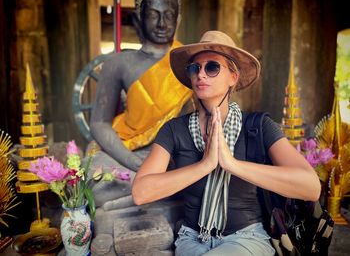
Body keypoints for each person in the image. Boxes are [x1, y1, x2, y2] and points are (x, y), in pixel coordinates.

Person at [132, 31, 321, 255]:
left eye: (212, 67)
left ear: (233, 77)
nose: (201, 74)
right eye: (195, 68)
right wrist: (205, 165)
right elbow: (140, 193)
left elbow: (311, 187)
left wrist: (232, 164)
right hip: (192, 238)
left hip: (246, 237)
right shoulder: (175, 130)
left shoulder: (258, 126)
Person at [89, 0, 192, 209]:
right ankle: (154, 193)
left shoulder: (191, 61)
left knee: (203, 176)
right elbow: (99, 123)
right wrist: (132, 161)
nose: (162, 23)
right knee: (95, 181)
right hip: (133, 152)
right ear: (138, 18)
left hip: (176, 156)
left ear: (178, 20)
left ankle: (143, 194)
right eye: (154, 15)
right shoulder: (118, 63)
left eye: (169, 15)